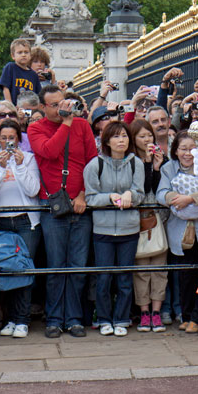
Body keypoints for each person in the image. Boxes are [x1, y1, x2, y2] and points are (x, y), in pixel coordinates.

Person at [28, 85, 97, 339]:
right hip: (52, 206)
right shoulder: (36, 128)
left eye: (63, 103)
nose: (61, 108)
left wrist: (83, 194)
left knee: (77, 266)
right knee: (56, 267)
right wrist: (66, 125)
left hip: (80, 204)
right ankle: (55, 319)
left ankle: (75, 319)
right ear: (43, 107)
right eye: (54, 105)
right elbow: (49, 151)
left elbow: (92, 162)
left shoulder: (82, 125)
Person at [84, 122, 144, 337]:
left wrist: (131, 195)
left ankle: (122, 318)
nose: (122, 140)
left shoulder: (136, 163)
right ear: (106, 141)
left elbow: (140, 193)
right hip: (103, 229)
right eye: (116, 136)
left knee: (125, 277)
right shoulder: (94, 165)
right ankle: (103, 318)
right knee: (104, 277)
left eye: (125, 136)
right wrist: (109, 197)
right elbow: (90, 197)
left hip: (129, 228)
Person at [0, 120, 41, 338]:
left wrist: (21, 165)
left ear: (19, 139)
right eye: (4, 138)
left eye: (12, 138)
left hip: (26, 220)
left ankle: (22, 319)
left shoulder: (29, 159)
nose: (8, 142)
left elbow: (33, 189)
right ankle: (9, 319)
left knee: (24, 269)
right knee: (5, 269)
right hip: (2, 221)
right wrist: (0, 167)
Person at [156, 130, 198, 333]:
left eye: (192, 148)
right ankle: (185, 316)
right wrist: (174, 199)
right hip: (179, 229)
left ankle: (197, 317)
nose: (187, 153)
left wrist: (191, 198)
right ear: (175, 151)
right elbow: (161, 193)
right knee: (184, 277)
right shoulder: (169, 168)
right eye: (183, 149)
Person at [130, 118, 168, 332]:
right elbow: (142, 189)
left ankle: (157, 312)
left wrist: (157, 166)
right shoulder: (131, 160)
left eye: (149, 136)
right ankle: (144, 312)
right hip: (138, 218)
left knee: (159, 268)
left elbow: (157, 187)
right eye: (142, 136)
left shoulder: (160, 158)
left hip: (158, 218)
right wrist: (146, 164)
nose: (147, 140)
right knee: (142, 269)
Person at [0, 39, 41, 105]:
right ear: (13, 56)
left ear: (30, 55)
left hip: (30, 108)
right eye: (20, 52)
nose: (23, 55)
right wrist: (10, 106)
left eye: (26, 52)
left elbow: (37, 95)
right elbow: (5, 88)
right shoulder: (10, 67)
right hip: (14, 106)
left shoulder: (34, 75)